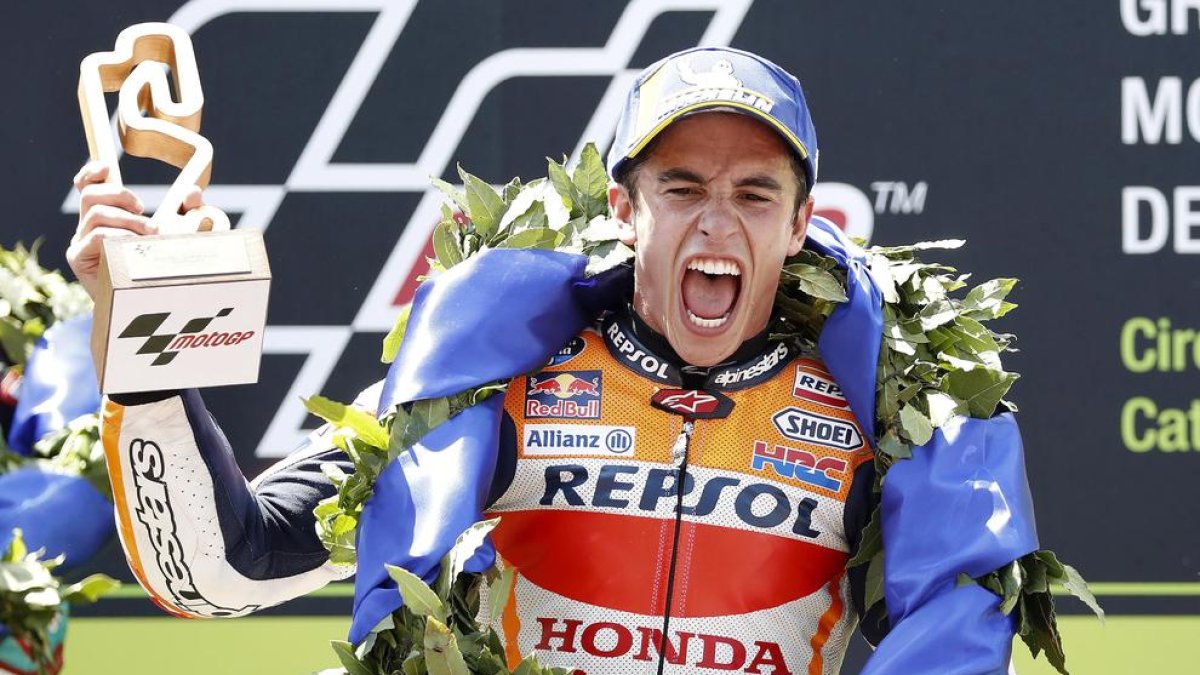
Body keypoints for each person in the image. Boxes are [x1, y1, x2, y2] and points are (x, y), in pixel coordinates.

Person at [69, 47, 1037, 674]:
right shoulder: (492, 379)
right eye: (682, 186)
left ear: (799, 227)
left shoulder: (882, 416)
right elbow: (218, 574)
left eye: (753, 195)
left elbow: (947, 628)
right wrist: (148, 346)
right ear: (625, 211)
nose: (714, 220)